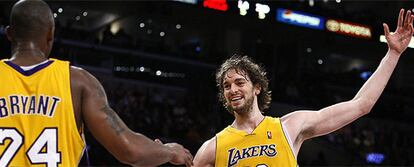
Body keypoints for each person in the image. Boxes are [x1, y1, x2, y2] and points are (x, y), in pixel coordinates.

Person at [193, 9, 414, 166]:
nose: (232, 89)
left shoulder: (290, 126)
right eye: (226, 86)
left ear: (257, 88)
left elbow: (361, 105)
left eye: (240, 82)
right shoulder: (211, 149)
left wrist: (393, 54)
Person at [0, 0, 193, 166]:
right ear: (50, 34)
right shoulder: (78, 82)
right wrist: (169, 151)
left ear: (9, 33)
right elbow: (130, 150)